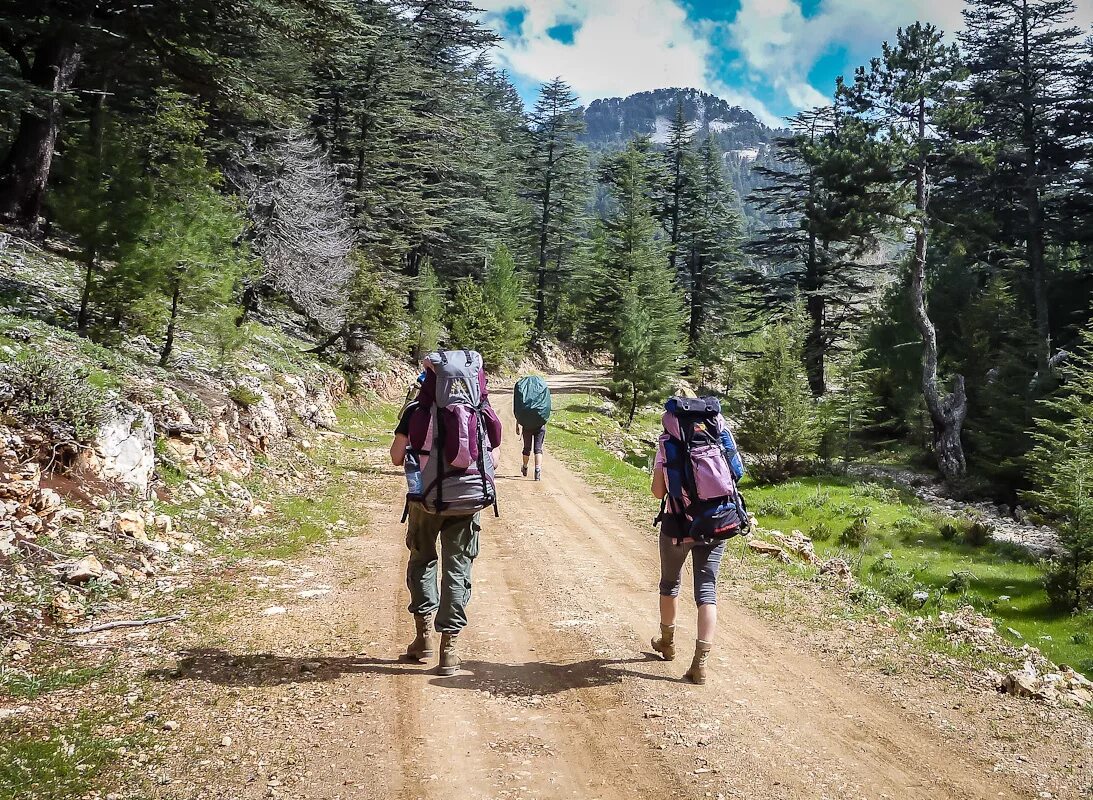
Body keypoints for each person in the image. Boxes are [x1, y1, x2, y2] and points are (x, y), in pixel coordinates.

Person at [390, 351, 501, 675]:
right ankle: (449, 650)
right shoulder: (480, 411)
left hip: (426, 501)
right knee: (458, 569)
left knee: (423, 561)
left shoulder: (416, 411)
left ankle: (423, 638)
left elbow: (397, 457)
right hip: (468, 503)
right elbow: (495, 459)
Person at [648, 395, 747, 685]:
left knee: (669, 584)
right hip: (716, 522)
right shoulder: (717, 437)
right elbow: (737, 474)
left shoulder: (668, 444)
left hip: (677, 525)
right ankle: (700, 664)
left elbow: (657, 492)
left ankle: (667, 643)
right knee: (707, 591)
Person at [513, 375, 551, 481]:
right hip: (540, 424)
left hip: (527, 426)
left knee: (526, 448)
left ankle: (525, 467)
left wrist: (518, 424)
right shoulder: (541, 389)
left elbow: (519, 410)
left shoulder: (524, 397)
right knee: (538, 449)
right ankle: (537, 471)